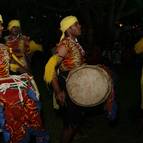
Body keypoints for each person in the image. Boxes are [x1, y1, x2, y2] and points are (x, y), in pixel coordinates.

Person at [44, 15, 117, 143]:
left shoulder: (74, 42)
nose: (80, 26)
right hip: (69, 86)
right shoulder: (65, 45)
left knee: (75, 121)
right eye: (76, 24)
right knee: (70, 126)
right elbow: (50, 68)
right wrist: (57, 91)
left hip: (77, 85)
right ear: (68, 28)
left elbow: (76, 64)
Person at [0, 14, 49, 143]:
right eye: (13, 27)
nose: (2, 27)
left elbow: (19, 61)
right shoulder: (6, 41)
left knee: (34, 104)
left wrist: (28, 74)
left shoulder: (11, 46)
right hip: (6, 88)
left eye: (18, 27)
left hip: (15, 82)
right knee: (9, 123)